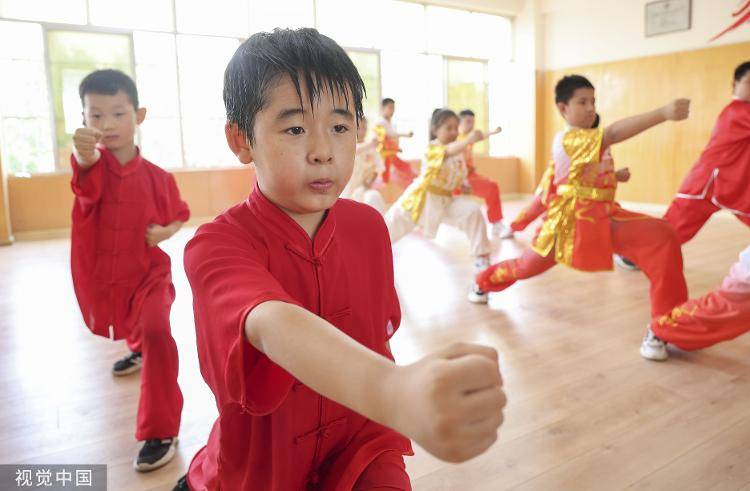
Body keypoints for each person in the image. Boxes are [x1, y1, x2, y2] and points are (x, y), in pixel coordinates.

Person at [176, 29, 506, 491]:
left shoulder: (369, 228)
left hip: (361, 446)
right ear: (241, 139)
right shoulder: (216, 244)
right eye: (294, 128)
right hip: (259, 468)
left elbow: (376, 340)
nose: (323, 152)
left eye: (340, 126)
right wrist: (394, 391)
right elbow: (269, 320)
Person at [477, 75, 690, 361]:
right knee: (526, 267)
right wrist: (663, 113)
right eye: (582, 102)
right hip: (569, 225)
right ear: (563, 109)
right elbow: (610, 135)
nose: (590, 108)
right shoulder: (568, 138)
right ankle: (483, 281)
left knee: (662, 236)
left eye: (593, 102)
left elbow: (582, 176)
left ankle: (665, 328)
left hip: (604, 217)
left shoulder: (590, 140)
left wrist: (615, 176)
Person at [70, 69, 188, 472]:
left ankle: (161, 429)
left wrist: (166, 230)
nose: (107, 125)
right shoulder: (92, 168)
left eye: (118, 113)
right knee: (135, 323)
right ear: (84, 120)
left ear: (138, 115)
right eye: (96, 115)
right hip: (108, 275)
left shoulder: (159, 178)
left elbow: (181, 214)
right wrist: (84, 155)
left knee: (157, 328)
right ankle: (137, 349)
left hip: (151, 273)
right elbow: (86, 178)